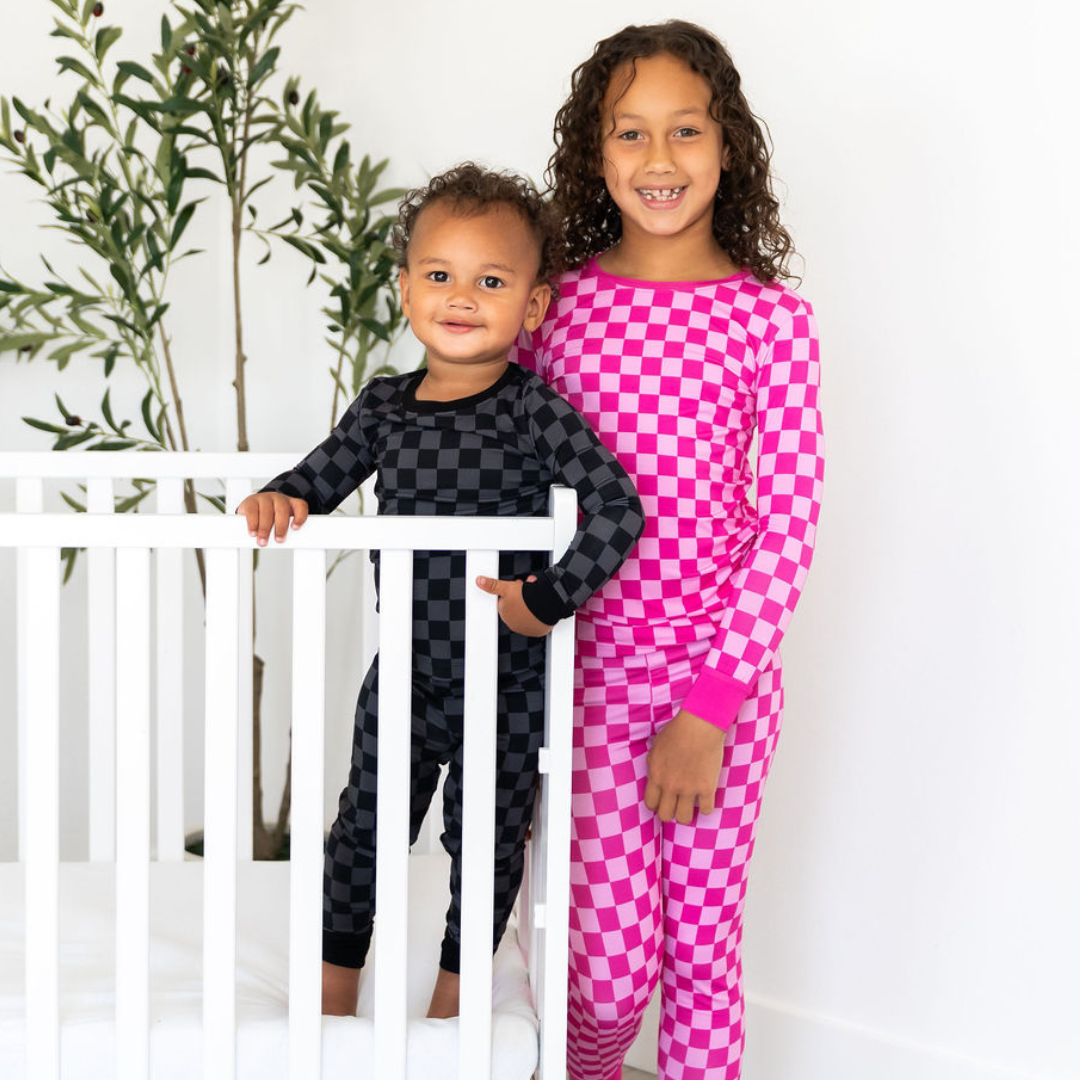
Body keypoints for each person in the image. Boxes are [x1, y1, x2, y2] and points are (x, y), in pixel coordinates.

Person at [237, 164, 644, 1021]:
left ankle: (452, 1011)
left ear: (533, 306)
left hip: (508, 678)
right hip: (409, 672)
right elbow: (318, 479)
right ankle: (330, 1003)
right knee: (363, 832)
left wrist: (550, 596)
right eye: (439, 275)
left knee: (485, 844)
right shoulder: (384, 408)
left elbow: (618, 507)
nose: (461, 297)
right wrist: (282, 496)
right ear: (405, 290)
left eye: (491, 281)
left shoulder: (533, 410)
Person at [512, 21, 824, 1080]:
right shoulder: (551, 309)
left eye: (685, 130)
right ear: (595, 153)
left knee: (700, 953)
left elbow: (788, 523)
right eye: (630, 132)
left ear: (728, 144)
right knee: (607, 975)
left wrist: (711, 708)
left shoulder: (772, 324)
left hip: (718, 681)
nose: (659, 158)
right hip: (585, 676)